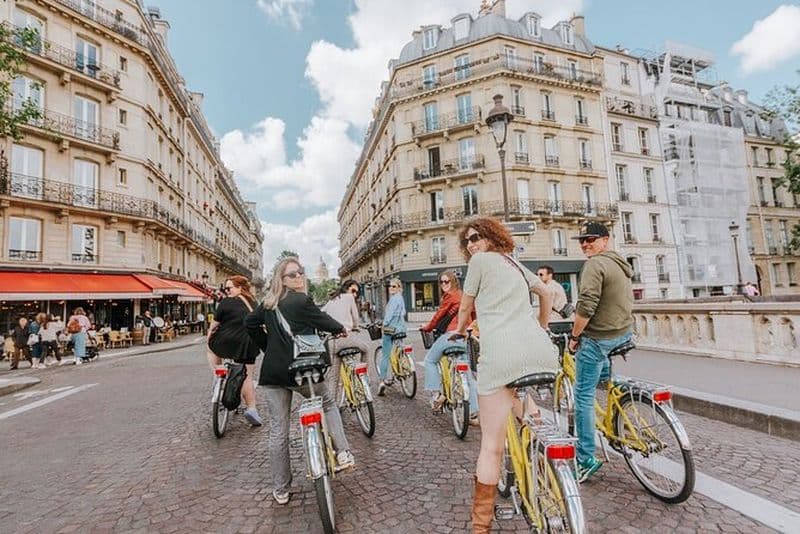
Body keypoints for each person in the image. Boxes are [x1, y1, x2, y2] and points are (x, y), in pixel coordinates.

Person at [448, 217, 555, 534]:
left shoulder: (480, 262)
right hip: (539, 352)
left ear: (491, 237)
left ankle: (480, 527)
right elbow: (545, 293)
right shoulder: (512, 262)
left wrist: (459, 330)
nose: (471, 244)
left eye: (476, 237)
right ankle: (550, 485)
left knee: (491, 446)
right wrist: (542, 327)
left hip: (501, 356)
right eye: (467, 240)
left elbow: (465, 308)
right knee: (534, 424)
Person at [245, 257, 355, 506]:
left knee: (278, 430)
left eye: (301, 272)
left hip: (273, 373)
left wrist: (268, 347)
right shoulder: (301, 300)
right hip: (301, 369)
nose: (299, 277)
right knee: (327, 403)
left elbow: (249, 323)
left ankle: (281, 488)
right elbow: (324, 321)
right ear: (282, 280)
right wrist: (340, 329)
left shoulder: (268, 303)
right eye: (293, 274)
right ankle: (343, 452)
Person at [567, 221, 634, 482]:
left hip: (600, 337)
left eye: (591, 239)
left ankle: (585, 458)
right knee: (604, 380)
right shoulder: (618, 261)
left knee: (583, 395)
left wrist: (575, 337)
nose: (585, 244)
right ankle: (618, 410)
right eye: (582, 240)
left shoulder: (594, 265)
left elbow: (586, 306)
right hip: (623, 332)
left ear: (605, 240)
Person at [421, 270, 479, 425]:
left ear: (453, 281)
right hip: (465, 337)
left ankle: (437, 394)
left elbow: (438, 317)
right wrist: (471, 328)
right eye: (441, 282)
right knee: (467, 375)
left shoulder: (449, 296)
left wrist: (426, 327)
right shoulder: (465, 295)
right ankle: (473, 413)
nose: (443, 284)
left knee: (430, 361)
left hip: (450, 336)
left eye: (447, 281)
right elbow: (475, 314)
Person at [207, 276, 263, 426]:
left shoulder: (226, 302)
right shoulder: (254, 303)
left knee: (210, 349)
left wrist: (209, 336)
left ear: (240, 288)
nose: (226, 291)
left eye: (229, 288)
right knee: (247, 376)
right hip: (247, 343)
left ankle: (218, 374)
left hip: (225, 341)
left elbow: (213, 326)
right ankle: (251, 409)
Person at [321, 279, 370, 397]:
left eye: (356, 292)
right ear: (346, 288)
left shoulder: (331, 300)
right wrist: (355, 327)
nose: (355, 294)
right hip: (345, 338)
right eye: (353, 291)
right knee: (366, 349)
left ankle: (333, 405)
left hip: (332, 342)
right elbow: (355, 317)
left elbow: (322, 313)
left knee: (333, 378)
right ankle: (364, 378)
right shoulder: (349, 298)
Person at [377, 277, 407, 396]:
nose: (391, 288)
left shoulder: (394, 299)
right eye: (389, 286)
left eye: (394, 286)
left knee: (385, 355)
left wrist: (383, 325)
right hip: (401, 329)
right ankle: (401, 369)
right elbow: (403, 313)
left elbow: (389, 316)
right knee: (399, 349)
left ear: (399, 287)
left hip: (391, 329)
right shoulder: (401, 298)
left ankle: (382, 381)